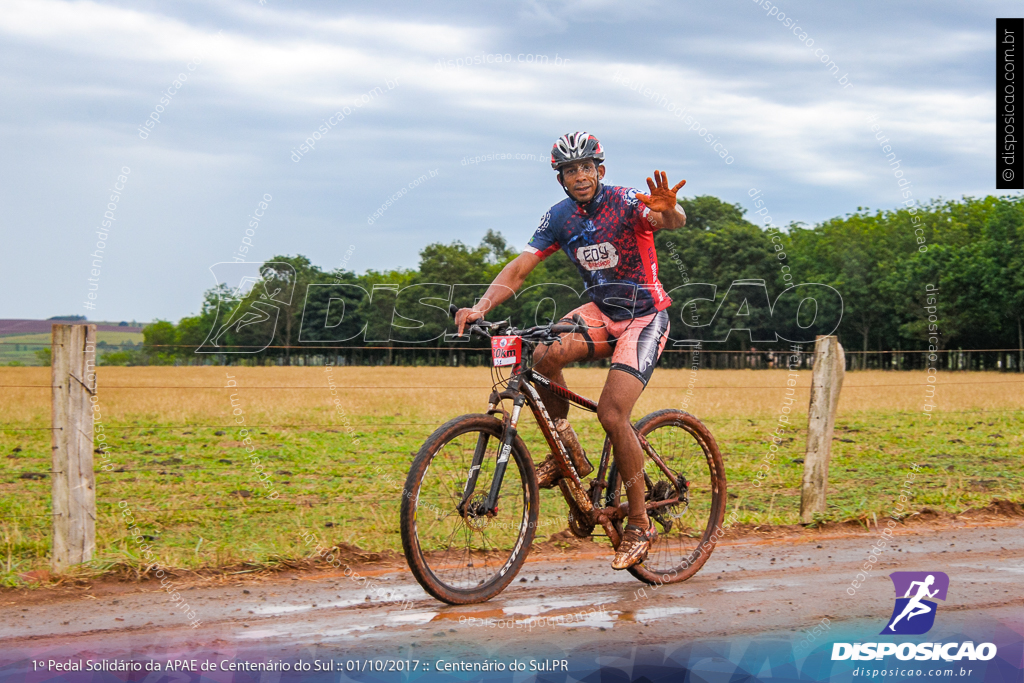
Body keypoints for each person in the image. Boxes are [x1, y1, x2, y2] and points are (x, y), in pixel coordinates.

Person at [455, 131, 686, 570]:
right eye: (569, 170)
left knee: (612, 413)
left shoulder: (625, 201)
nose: (579, 176)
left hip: (644, 315)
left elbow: (670, 221)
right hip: (602, 311)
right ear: (561, 178)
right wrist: (482, 306)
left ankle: (639, 525)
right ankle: (568, 451)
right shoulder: (560, 217)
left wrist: (669, 211)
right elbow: (520, 267)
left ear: (600, 170)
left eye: (586, 167)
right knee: (543, 355)